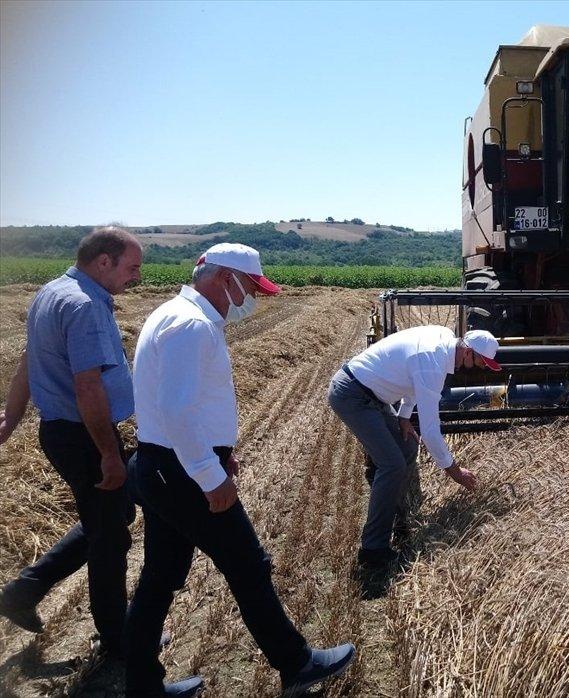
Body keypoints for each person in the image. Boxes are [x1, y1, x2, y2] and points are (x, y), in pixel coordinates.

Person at [125, 243, 354, 697]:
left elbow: (181, 408)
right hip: (181, 472)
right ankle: (296, 663)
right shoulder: (191, 325)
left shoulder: (178, 315)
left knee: (159, 578)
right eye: (250, 286)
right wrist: (211, 475)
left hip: (165, 464)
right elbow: (175, 411)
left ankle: (143, 687)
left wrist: (216, 450)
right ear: (223, 278)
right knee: (248, 565)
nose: (253, 297)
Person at [0, 226, 141, 658]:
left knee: (112, 515)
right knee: (110, 538)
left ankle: (26, 589)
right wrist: (108, 455)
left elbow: (29, 358)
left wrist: (12, 415)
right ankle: (117, 640)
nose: (135, 277)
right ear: (104, 261)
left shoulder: (52, 292)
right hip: (82, 435)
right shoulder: (83, 306)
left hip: (63, 432)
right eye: (131, 268)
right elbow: (88, 389)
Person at [327, 325, 496, 575]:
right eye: (480, 363)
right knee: (392, 464)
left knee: (407, 446)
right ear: (468, 351)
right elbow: (430, 430)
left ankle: (395, 513)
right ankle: (373, 551)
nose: (477, 368)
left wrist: (405, 415)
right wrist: (455, 471)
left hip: (375, 395)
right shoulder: (434, 362)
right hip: (353, 394)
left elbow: (412, 376)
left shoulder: (443, 340)